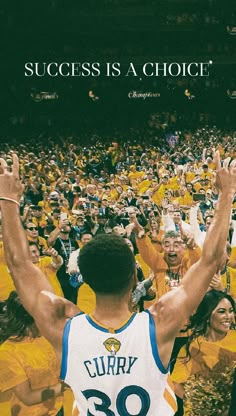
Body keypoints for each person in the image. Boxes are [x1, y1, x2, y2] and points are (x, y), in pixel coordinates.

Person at [0, 152, 235, 415]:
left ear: (85, 280)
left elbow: (19, 264)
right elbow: (211, 259)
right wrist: (226, 194)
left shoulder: (64, 328)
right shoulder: (159, 321)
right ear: (135, 277)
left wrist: (8, 201)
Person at [171, 290, 236, 416]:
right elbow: (176, 383)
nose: (229, 316)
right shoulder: (191, 347)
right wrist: (201, 404)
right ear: (207, 316)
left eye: (231, 311)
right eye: (222, 311)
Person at [0, 291, 64, 416]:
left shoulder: (45, 336)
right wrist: (64, 387)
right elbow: (27, 397)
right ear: (29, 319)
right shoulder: (8, 353)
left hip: (59, 407)